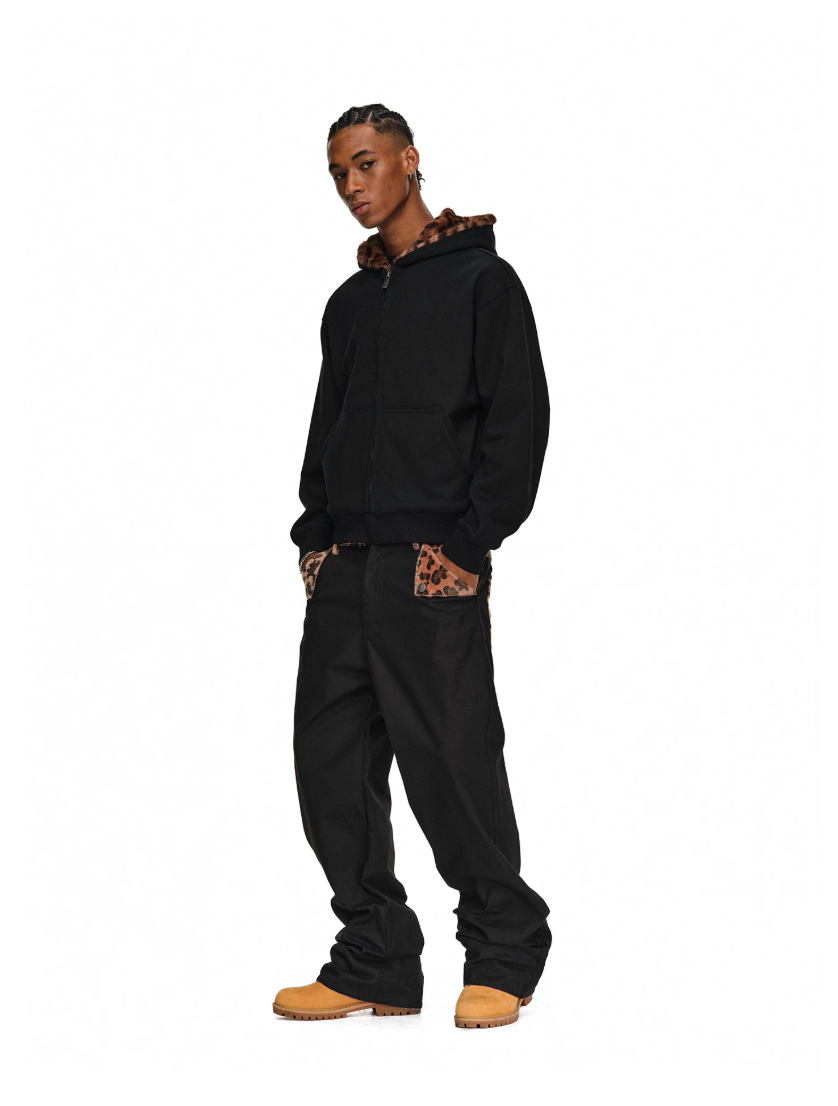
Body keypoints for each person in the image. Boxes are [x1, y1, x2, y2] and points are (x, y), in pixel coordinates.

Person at [273, 104, 551, 1030]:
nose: (352, 186)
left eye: (365, 164)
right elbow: (327, 425)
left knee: (452, 765)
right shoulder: (350, 304)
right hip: (345, 566)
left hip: (434, 564)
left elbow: (517, 421)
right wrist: (315, 539)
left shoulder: (483, 283)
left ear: (409, 160)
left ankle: (504, 949)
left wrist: (470, 543)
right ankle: (377, 958)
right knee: (329, 767)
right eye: (338, 173)